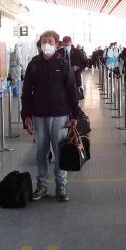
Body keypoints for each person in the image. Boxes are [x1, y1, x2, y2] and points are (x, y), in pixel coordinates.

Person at [22, 30, 80, 202]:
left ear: (57, 44)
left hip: (60, 115)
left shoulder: (63, 64)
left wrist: (75, 114)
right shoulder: (34, 64)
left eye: (50, 41)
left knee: (60, 151)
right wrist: (26, 115)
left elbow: (72, 90)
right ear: (40, 44)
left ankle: (61, 185)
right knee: (41, 151)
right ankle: (42, 186)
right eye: (43, 41)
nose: (46, 44)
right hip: (39, 114)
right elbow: (26, 92)